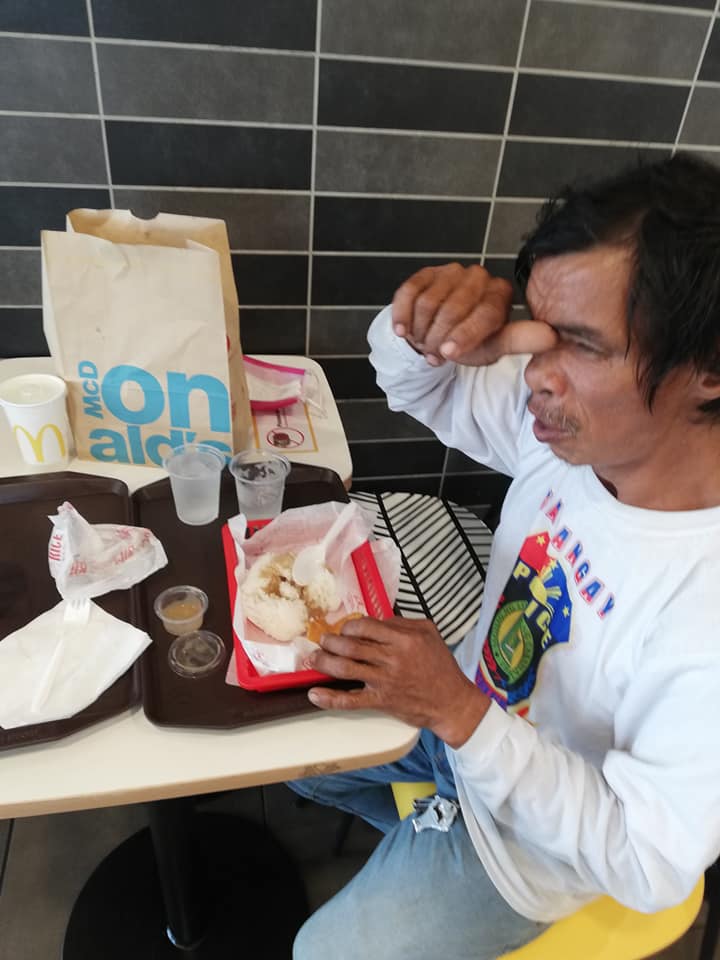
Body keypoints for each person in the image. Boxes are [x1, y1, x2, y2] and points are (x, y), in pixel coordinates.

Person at [289, 154, 720, 960]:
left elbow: (649, 859)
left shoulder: (704, 607)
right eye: (539, 331)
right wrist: (430, 328)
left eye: (583, 346)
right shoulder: (572, 436)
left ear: (709, 369)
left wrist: (459, 714)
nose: (535, 375)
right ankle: (418, 822)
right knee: (280, 751)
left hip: (533, 848)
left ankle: (431, 846)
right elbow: (416, 385)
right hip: (465, 719)